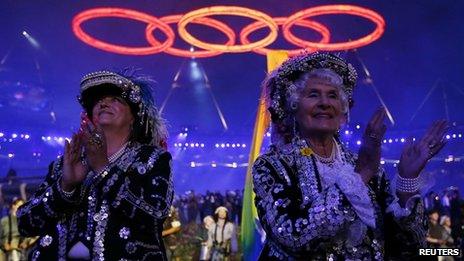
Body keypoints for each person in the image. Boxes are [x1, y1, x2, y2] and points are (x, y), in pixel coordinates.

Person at [252, 52, 448, 260]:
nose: (325, 103)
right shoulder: (273, 166)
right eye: (313, 94)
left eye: (333, 95)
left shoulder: (364, 164)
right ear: (293, 107)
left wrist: (407, 181)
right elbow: (293, 238)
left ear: (343, 109)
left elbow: (409, 245)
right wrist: (358, 176)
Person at [17, 70, 173, 260]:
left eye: (116, 99)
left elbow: (154, 216)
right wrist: (65, 187)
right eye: (98, 100)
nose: (104, 103)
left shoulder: (153, 159)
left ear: (134, 117)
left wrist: (104, 170)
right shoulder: (66, 164)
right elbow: (25, 223)